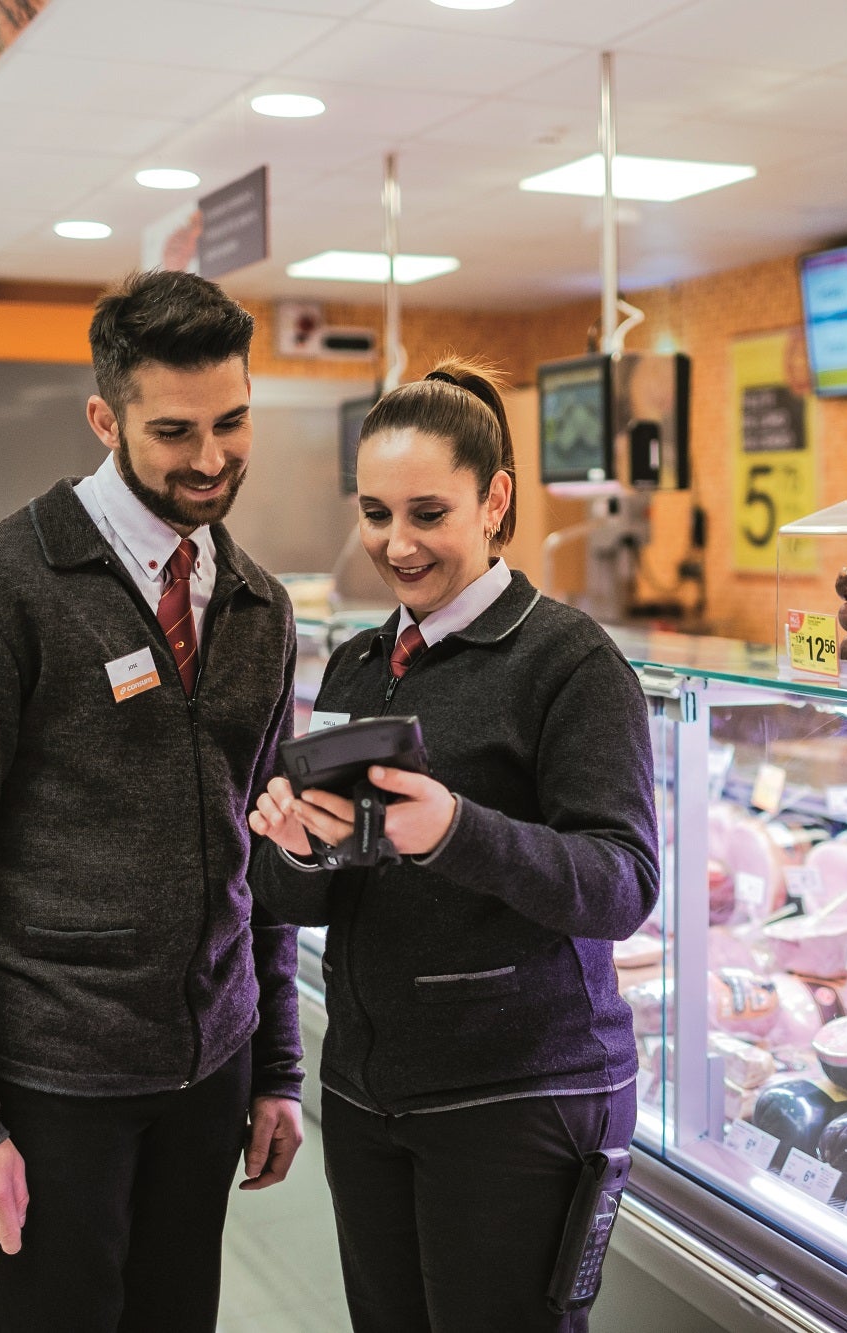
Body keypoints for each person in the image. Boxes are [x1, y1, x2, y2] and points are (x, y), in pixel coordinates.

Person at [0, 270, 306, 1333]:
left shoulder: (257, 603)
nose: (210, 459)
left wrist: (276, 1064)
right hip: (46, 1084)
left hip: (207, 1073)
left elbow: (267, 842)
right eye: (173, 431)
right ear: (105, 418)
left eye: (232, 422)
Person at [250, 359, 660, 1333]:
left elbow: (622, 883)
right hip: (368, 1086)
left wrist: (457, 831)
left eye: (427, 512)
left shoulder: (567, 661)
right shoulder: (355, 660)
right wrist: (295, 849)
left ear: (494, 501)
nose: (397, 544)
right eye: (376, 513)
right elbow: (308, 896)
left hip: (519, 1099)